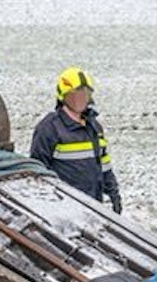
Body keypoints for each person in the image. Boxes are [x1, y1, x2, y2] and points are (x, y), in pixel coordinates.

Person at [30, 67, 122, 213]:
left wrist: (113, 195)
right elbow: (38, 171)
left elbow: (104, 165)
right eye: (75, 93)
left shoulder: (94, 127)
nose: (80, 98)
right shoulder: (49, 128)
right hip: (64, 207)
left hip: (94, 205)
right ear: (63, 96)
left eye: (85, 93)